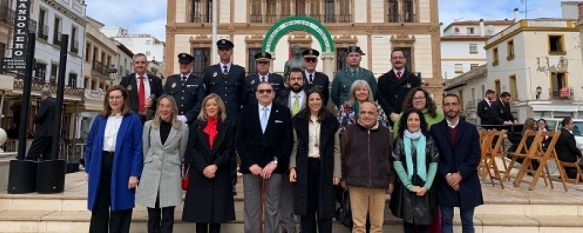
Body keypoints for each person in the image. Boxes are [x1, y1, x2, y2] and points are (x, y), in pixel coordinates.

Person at [85, 85, 143, 233]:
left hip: (123, 166)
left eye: (118, 97)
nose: (114, 100)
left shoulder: (133, 119)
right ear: (107, 100)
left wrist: (134, 174)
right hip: (100, 165)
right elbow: (90, 144)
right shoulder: (100, 119)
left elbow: (138, 148)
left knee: (121, 207)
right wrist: (89, 168)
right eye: (111, 97)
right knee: (99, 206)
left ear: (124, 100)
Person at [237, 82, 293, 233]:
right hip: (251, 168)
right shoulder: (246, 112)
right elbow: (239, 141)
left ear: (274, 94)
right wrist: (250, 164)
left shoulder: (283, 112)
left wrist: (275, 162)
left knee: (272, 208)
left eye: (268, 90)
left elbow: (287, 141)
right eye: (261, 91)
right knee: (251, 209)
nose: (265, 93)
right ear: (256, 94)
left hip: (274, 168)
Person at [289, 88, 341, 233]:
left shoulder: (331, 121)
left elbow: (336, 149)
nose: (315, 102)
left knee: (325, 211)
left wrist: (337, 173)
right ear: (307, 101)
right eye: (311, 99)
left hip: (325, 167)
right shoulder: (298, 120)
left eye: (318, 99)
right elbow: (295, 145)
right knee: (307, 210)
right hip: (305, 167)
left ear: (323, 101)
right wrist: (292, 167)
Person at [182, 94, 236, 233]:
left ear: (219, 107)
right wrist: (204, 167)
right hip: (200, 175)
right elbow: (192, 148)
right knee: (200, 218)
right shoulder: (196, 125)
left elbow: (229, 149)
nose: (211, 107)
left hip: (219, 174)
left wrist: (215, 165)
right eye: (208, 105)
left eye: (214, 104)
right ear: (204, 108)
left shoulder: (227, 125)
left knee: (216, 218)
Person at [430, 94, 483, 233]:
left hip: (467, 181)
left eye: (454, 104)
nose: (451, 107)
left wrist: (460, 174)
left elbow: (475, 156)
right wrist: (448, 175)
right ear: (443, 107)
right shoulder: (435, 130)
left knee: (467, 222)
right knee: (446, 221)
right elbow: (434, 156)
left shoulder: (471, 129)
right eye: (447, 104)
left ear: (459, 106)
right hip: (444, 181)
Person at [340, 101, 395, 233]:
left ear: (377, 115)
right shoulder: (349, 131)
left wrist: (391, 180)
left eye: (370, 113)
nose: (366, 116)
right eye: (363, 112)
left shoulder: (386, 133)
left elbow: (390, 158)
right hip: (356, 183)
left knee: (377, 226)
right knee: (358, 226)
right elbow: (342, 156)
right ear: (358, 114)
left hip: (379, 183)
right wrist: (343, 178)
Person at [203, 38, 247, 195]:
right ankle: (216, 178)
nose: (224, 52)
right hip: (215, 119)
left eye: (227, 49)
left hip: (234, 119)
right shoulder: (210, 71)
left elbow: (244, 96)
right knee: (215, 150)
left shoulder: (239, 71)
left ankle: (232, 182)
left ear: (231, 51)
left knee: (231, 152)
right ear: (218, 52)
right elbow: (206, 95)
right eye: (221, 50)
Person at [390, 108, 439, 233]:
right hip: (406, 188)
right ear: (405, 122)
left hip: (426, 188)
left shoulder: (429, 140)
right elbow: (397, 163)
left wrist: (426, 186)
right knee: (409, 225)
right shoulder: (399, 140)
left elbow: (434, 163)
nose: (413, 122)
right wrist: (410, 185)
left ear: (421, 121)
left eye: (416, 119)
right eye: (410, 119)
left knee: (425, 226)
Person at [274, 67, 306, 233]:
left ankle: (303, 226)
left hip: (307, 153)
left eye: (299, 78)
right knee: (285, 194)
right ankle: (287, 228)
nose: (296, 81)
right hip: (285, 152)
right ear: (288, 80)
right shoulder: (280, 99)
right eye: (292, 78)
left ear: (304, 80)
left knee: (303, 193)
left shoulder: (313, 98)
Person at [377, 50, 421, 124]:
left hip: (409, 119)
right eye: (395, 58)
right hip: (388, 119)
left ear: (405, 60)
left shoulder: (414, 79)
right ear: (391, 60)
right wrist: (390, 113)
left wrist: (406, 114)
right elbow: (381, 99)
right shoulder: (383, 79)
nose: (398, 60)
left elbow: (416, 99)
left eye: (400, 57)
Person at [119, 53, 164, 123]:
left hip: (151, 119)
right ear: (133, 64)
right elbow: (120, 98)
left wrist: (153, 100)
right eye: (137, 62)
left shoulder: (156, 80)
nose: (140, 65)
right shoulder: (126, 80)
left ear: (147, 64)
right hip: (130, 119)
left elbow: (162, 98)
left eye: (143, 62)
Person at [163, 53, 205, 124]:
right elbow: (164, 99)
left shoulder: (198, 81)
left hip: (191, 121)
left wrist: (187, 117)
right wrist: (172, 115)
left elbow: (201, 102)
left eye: (186, 63)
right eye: (182, 63)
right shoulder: (171, 80)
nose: (184, 65)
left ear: (191, 64)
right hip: (172, 120)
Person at [26, 87, 56, 161]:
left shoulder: (46, 102)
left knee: (33, 153)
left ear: (43, 95)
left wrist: (35, 119)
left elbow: (39, 116)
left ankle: (29, 170)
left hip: (44, 132)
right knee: (48, 155)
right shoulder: (55, 102)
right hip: (53, 133)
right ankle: (45, 171)